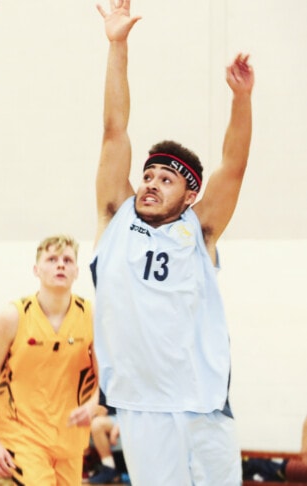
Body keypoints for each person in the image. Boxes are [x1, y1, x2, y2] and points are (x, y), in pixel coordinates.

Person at [91, 1, 254, 484]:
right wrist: (117, 45)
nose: (151, 183)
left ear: (189, 195)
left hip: (202, 400)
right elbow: (113, 129)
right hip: (140, 405)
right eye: (148, 174)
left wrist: (241, 99)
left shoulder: (198, 231)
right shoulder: (114, 216)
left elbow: (235, 166)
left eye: (166, 178)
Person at [0, 235, 97, 484]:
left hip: (70, 439)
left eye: (67, 260)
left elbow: (108, 376)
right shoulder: (13, 316)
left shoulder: (92, 316)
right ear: (36, 269)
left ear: (77, 271)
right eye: (52, 259)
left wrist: (94, 404)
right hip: (23, 436)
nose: (60, 265)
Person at [87, 391, 127, 484]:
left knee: (97, 424)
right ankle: (88, 467)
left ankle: (109, 468)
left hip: (124, 417)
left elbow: (102, 410)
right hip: (110, 418)